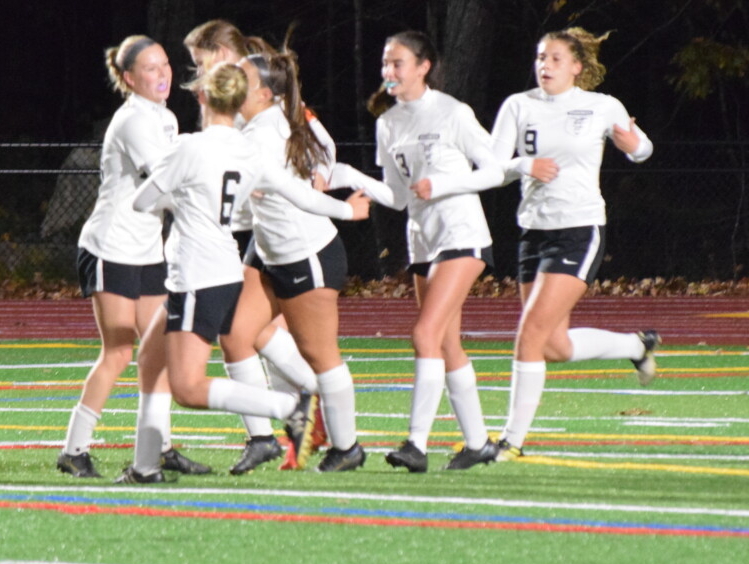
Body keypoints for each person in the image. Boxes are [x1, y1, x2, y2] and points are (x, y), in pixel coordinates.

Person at [119, 61, 369, 483]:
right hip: (223, 267)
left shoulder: (190, 147)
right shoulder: (248, 150)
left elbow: (142, 202)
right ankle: (145, 468)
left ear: (203, 96)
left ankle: (288, 408)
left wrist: (184, 196)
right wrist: (347, 210)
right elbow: (302, 195)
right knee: (150, 358)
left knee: (187, 388)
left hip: (196, 272)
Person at [331, 30, 534, 472]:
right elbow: (398, 197)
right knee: (445, 342)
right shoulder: (388, 123)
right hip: (423, 240)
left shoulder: (452, 112)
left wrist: (442, 184)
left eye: (397, 63)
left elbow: (496, 171)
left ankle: (416, 445)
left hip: (461, 233)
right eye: (385, 63)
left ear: (423, 67)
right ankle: (478, 443)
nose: (388, 71)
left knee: (424, 335)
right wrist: (348, 175)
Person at [487, 27, 659, 461]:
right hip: (533, 231)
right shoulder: (518, 105)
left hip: (580, 229)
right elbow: (491, 168)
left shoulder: (601, 106)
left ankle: (511, 441)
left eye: (555, 59)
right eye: (540, 57)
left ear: (577, 67)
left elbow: (643, 149)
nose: (544, 65)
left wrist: (633, 144)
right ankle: (636, 346)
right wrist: (524, 165)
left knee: (529, 335)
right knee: (553, 345)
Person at [183, 19, 332, 474]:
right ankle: (288, 424)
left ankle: (309, 413)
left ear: (222, 53)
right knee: (244, 334)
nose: (198, 73)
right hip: (251, 233)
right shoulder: (229, 98)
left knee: (266, 335)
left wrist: (317, 176)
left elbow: (320, 143)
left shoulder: (265, 93)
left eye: (201, 62)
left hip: (279, 236)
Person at [58, 35, 209, 479]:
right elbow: (164, 182)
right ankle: (74, 450)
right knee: (120, 351)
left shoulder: (164, 116)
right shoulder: (132, 121)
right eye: (150, 68)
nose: (162, 74)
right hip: (112, 247)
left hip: (146, 250)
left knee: (156, 351)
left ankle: (159, 446)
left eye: (165, 65)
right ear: (128, 78)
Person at [222, 46, 366, 472]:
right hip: (271, 251)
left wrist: (347, 209)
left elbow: (301, 192)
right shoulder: (257, 124)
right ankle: (263, 437)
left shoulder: (263, 135)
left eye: (243, 79)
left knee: (320, 355)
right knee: (235, 335)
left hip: (307, 254)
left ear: (265, 94)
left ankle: (348, 447)